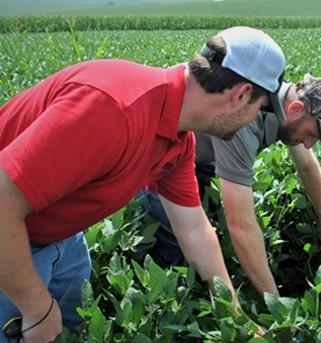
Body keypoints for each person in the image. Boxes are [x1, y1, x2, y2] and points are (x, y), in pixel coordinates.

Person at [0, 26, 285, 343]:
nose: (252, 121)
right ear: (241, 95)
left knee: (68, 330)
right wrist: (37, 308)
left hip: (61, 236)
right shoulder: (114, 109)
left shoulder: (177, 138)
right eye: (258, 110)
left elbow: (193, 230)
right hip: (10, 236)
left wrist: (236, 318)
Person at [141, 74, 321, 297]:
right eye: (311, 134)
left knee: (203, 226)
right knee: (177, 242)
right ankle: (160, 299)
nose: (309, 144)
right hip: (155, 158)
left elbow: (307, 166)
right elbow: (241, 225)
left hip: (197, 155)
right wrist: (277, 308)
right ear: (296, 109)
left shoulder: (283, 100)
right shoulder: (245, 120)